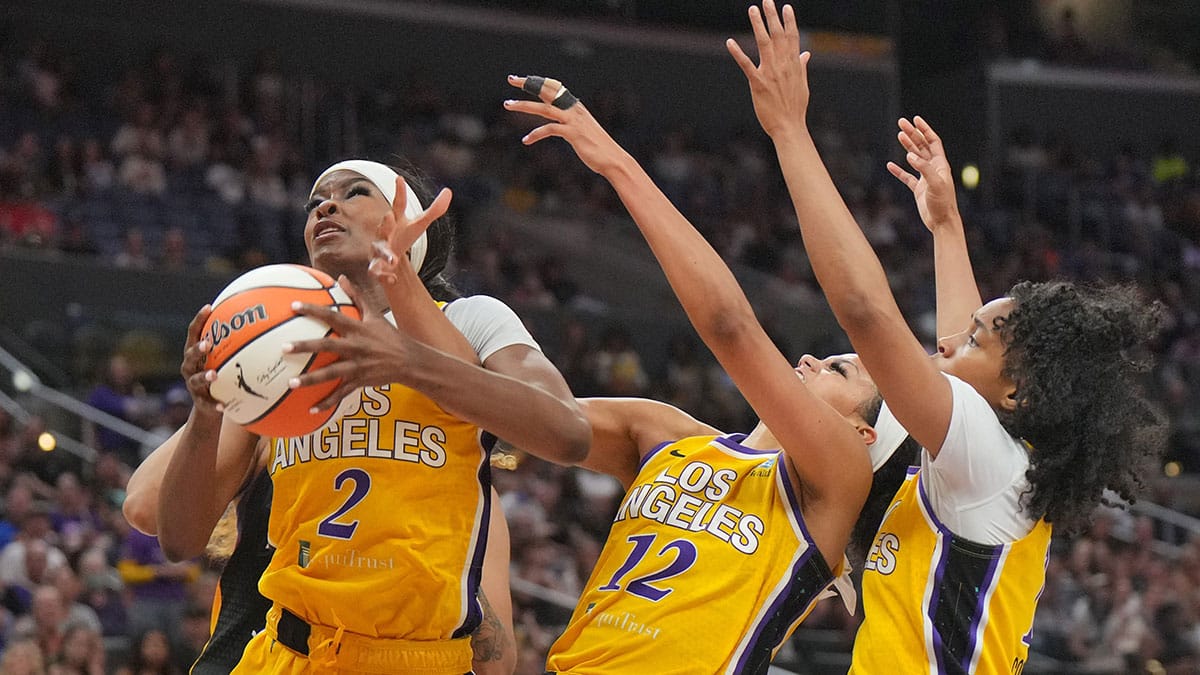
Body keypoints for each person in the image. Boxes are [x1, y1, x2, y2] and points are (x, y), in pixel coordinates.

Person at [724, 2, 1164, 672]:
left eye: (981, 339)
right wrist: (947, 227)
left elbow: (867, 313)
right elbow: (959, 348)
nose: (950, 342)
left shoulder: (986, 456)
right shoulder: (997, 457)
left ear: (1017, 390)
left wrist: (789, 132)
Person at [503, 74, 918, 673]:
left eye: (837, 368)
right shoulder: (666, 434)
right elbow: (532, 420)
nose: (806, 360)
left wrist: (616, 163)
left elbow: (730, 326)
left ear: (863, 434)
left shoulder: (835, 483)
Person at [137, 158, 590, 674]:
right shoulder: (289, 347)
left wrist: (406, 360)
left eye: (354, 192)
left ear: (408, 219)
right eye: (315, 202)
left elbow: (568, 434)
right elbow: (178, 538)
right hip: (288, 651)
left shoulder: (470, 318)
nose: (326, 205)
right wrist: (206, 411)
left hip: (416, 657)